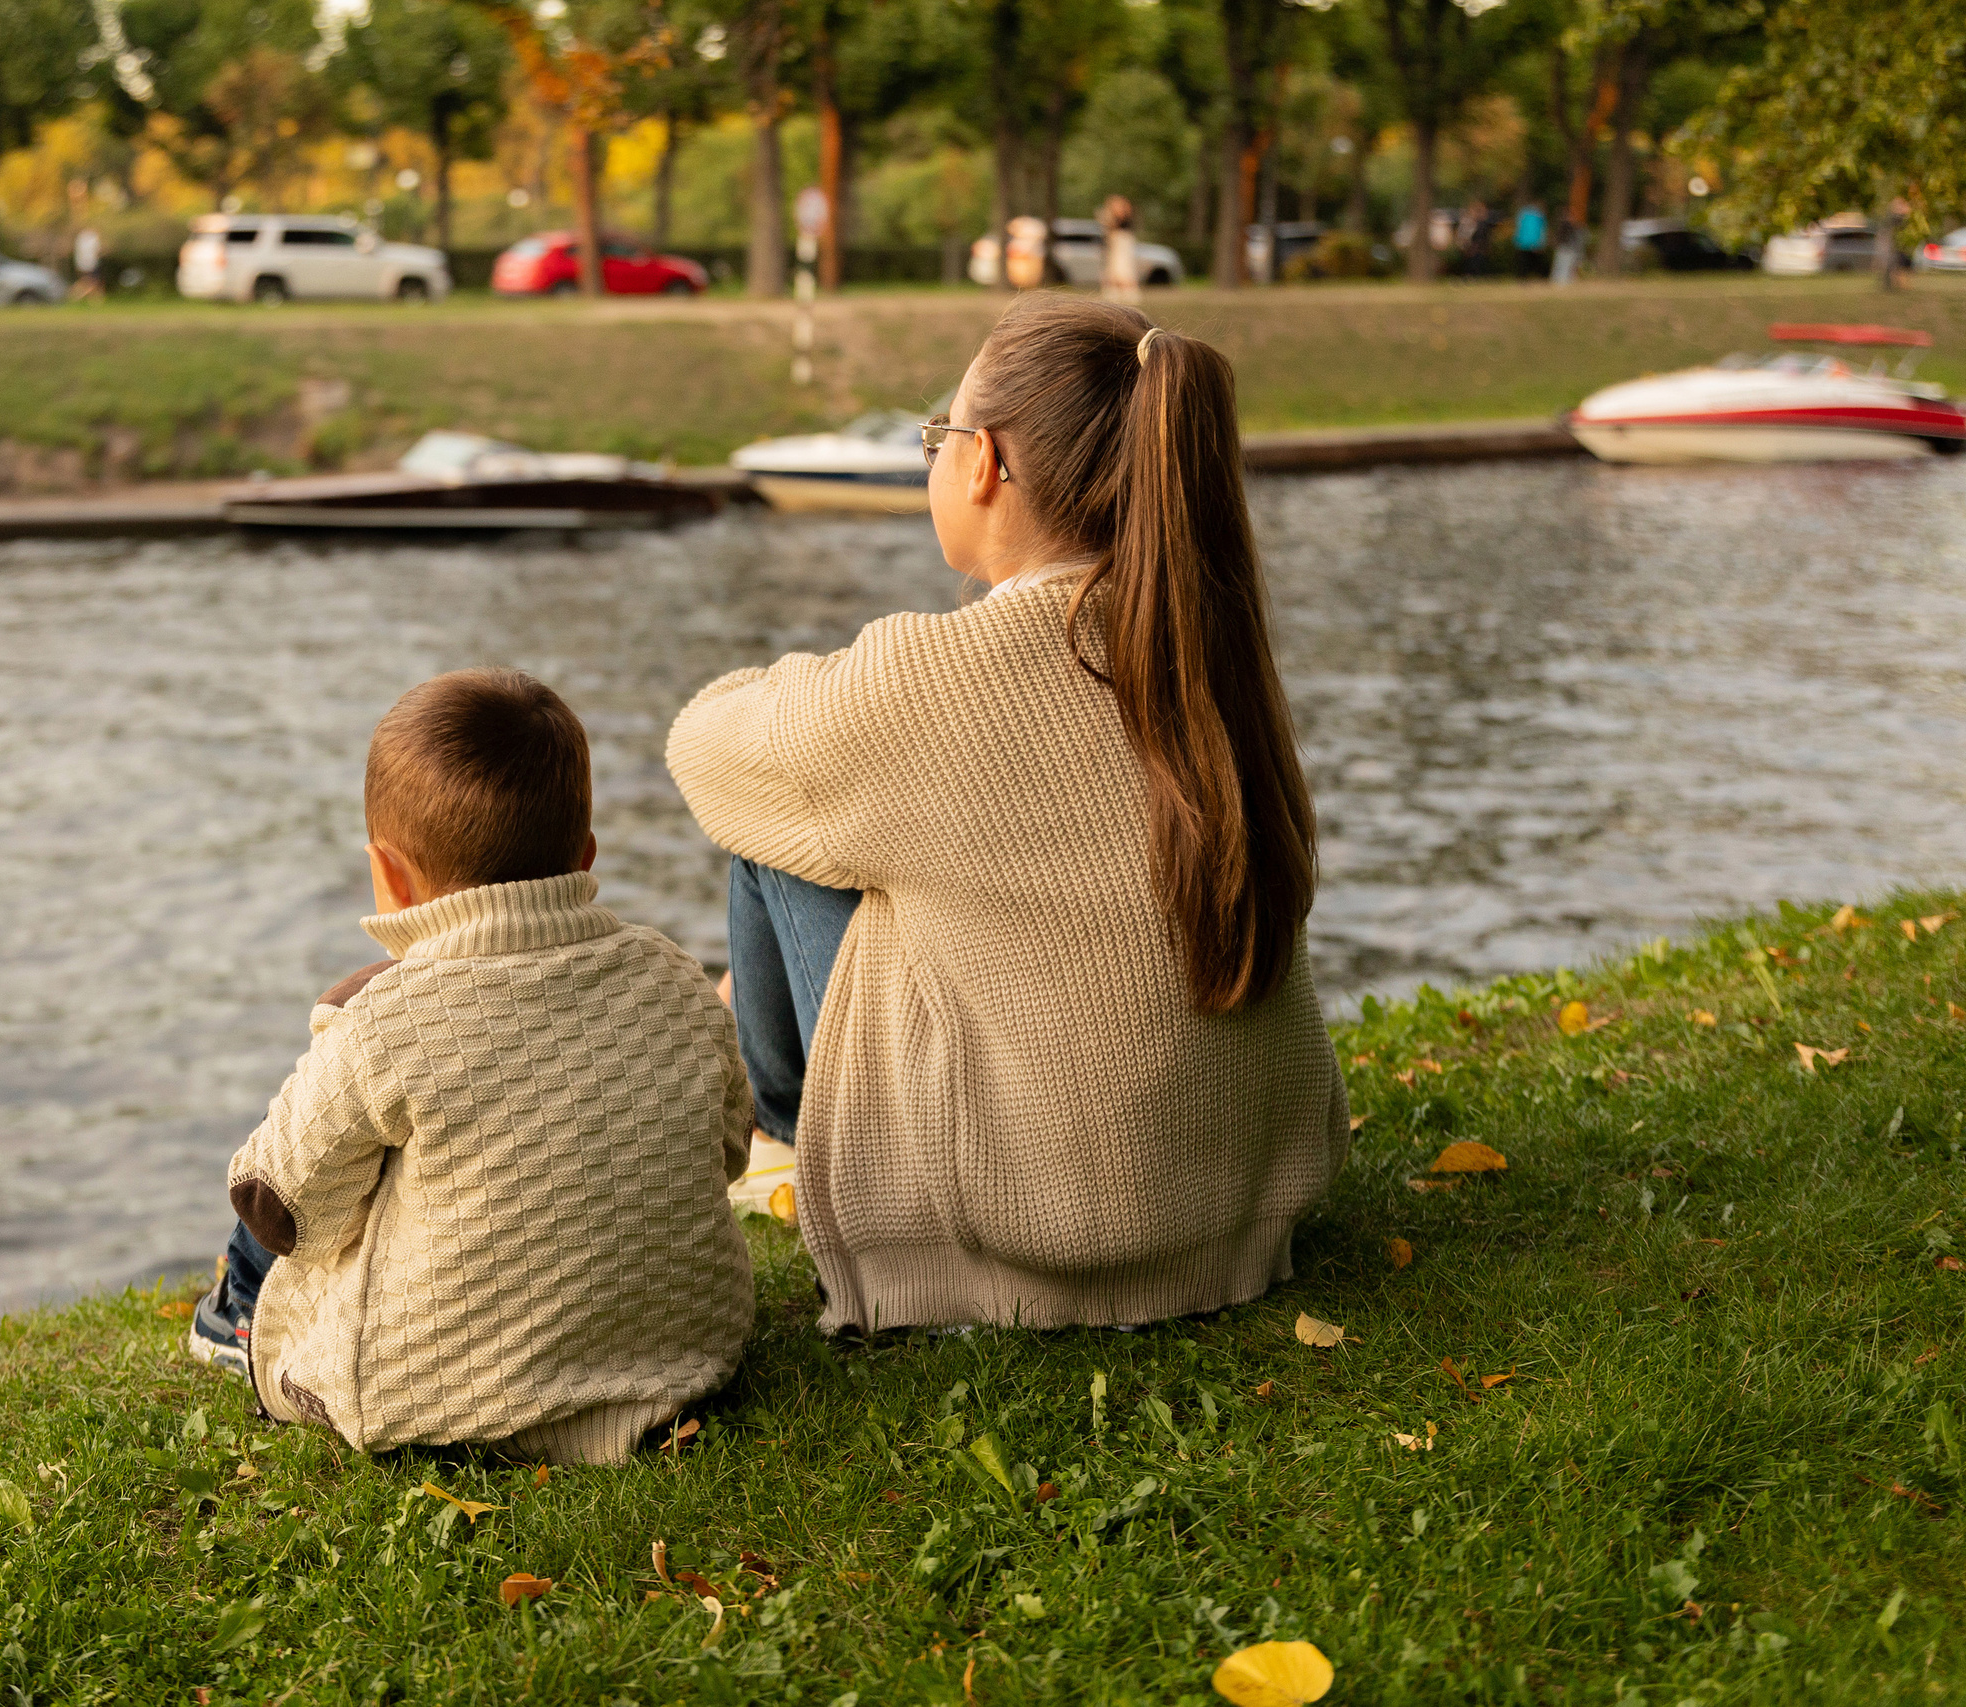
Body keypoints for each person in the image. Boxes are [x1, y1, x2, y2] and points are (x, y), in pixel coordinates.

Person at [667, 295, 1348, 1337]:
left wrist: (830, 682)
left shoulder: (931, 679)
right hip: (1237, 1213)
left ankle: (780, 1139)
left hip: (1024, 1232)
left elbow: (704, 747)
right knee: (872, 830)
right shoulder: (1203, 642)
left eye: (934, 437)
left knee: (780, 835)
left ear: (981, 461)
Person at [191, 668, 757, 1464]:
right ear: (586, 853)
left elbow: (278, 1201)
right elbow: (730, 1147)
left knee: (300, 1172)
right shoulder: (674, 977)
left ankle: (230, 1319)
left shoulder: (384, 1021)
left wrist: (336, 1030)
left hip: (439, 1397)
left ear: (387, 873)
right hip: (682, 1359)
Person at [1097, 194, 1142, 306]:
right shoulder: (1111, 216)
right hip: (1114, 243)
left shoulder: (1125, 216)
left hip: (1122, 242)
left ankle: (1128, 292)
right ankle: (1114, 291)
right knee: (1113, 268)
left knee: (1124, 268)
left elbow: (1117, 227)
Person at [1513, 201, 1549, 281]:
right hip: (1534, 243)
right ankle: (1543, 277)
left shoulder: (1522, 214)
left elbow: (1519, 228)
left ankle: (1522, 278)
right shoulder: (1539, 216)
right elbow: (1543, 230)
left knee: (1524, 263)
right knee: (1537, 262)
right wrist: (1542, 242)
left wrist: (1517, 240)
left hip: (1523, 242)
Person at [72, 225, 103, 302]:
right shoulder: (92, 237)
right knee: (92, 281)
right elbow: (97, 250)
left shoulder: (81, 237)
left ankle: (92, 299)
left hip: (82, 263)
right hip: (91, 263)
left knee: (88, 281)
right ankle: (76, 295)